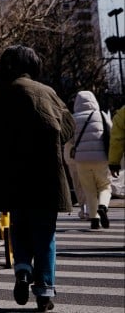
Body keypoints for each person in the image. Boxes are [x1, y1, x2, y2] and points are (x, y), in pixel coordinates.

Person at [0, 45, 74, 312]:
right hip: (45, 174)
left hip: (10, 176)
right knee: (45, 234)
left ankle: (22, 269)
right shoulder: (46, 93)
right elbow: (67, 127)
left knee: (19, 226)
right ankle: (44, 292)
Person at [69, 90, 113, 230]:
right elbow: (111, 132)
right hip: (101, 158)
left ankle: (94, 219)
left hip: (81, 160)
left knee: (89, 189)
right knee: (105, 186)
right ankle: (103, 207)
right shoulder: (101, 115)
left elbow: (70, 140)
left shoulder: (73, 118)